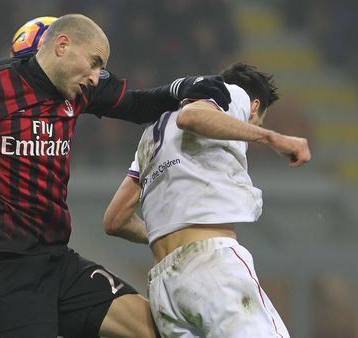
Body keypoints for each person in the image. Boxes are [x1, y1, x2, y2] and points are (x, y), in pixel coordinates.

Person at [0, 14, 233, 338]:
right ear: (62, 45)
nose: (96, 76)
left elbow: (135, 105)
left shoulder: (79, 90)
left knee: (154, 327)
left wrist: (183, 87)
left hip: (55, 262)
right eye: (94, 63)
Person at [104, 63, 311, 337]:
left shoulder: (152, 135)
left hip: (164, 289)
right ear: (254, 106)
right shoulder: (233, 94)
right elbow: (191, 116)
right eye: (257, 119)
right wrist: (272, 137)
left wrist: (171, 235)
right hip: (210, 264)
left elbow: (115, 219)